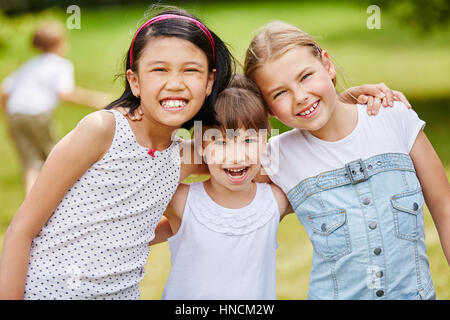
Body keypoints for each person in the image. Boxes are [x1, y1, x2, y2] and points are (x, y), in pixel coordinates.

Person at [0, 8, 235, 300]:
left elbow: (254, 160)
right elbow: (20, 231)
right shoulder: (102, 130)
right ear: (134, 81)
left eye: (191, 70)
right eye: (159, 70)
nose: (175, 83)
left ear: (209, 82)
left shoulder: (183, 157)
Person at [244, 21, 450, 299]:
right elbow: (206, 157)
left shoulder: (393, 118)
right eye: (279, 93)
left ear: (327, 65)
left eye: (306, 76)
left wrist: (339, 100)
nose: (300, 96)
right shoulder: (276, 156)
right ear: (267, 107)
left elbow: (443, 207)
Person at [160, 75, 290, 299]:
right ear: (200, 145)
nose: (236, 156)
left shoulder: (276, 200)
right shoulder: (181, 202)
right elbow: (146, 172)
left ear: (266, 141)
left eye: (249, 141)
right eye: (220, 143)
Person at [0, 20, 110, 194]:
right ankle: (61, 201)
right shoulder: (60, 65)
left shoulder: (29, 66)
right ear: (60, 44)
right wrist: (96, 100)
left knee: (31, 163)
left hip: (15, 115)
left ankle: (31, 205)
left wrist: (7, 117)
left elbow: (3, 91)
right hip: (37, 115)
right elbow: (65, 93)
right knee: (55, 158)